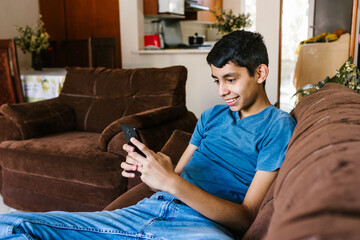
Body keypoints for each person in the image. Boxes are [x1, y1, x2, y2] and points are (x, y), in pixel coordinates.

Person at [0, 30, 296, 239]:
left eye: (231, 79)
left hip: (201, 228)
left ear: (260, 73)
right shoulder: (211, 116)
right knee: (10, 225)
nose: (221, 91)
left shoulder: (277, 125)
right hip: (149, 210)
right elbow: (177, 177)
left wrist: (171, 181)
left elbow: (246, 217)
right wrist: (154, 167)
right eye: (216, 80)